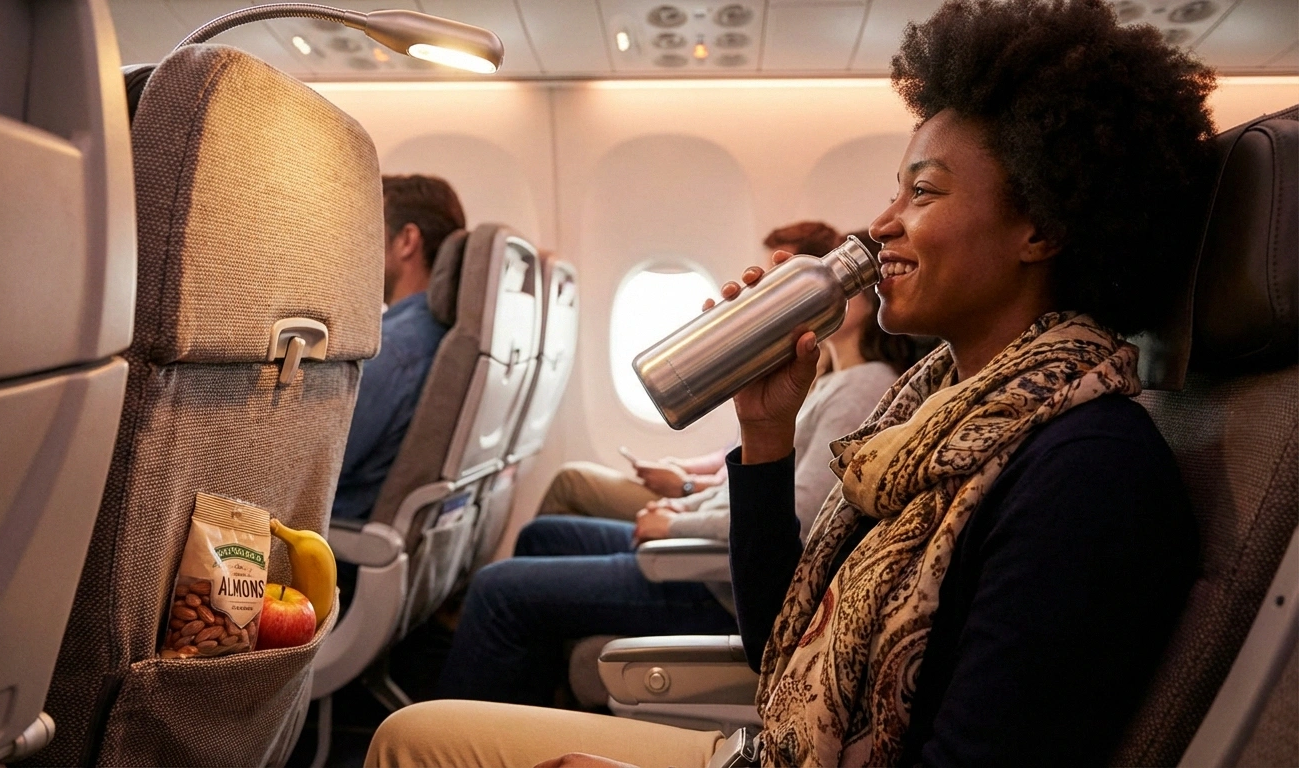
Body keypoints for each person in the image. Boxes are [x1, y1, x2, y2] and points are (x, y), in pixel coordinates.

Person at [366, 0, 1213, 765]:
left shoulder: (1086, 473)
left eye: (922, 192)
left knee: (419, 740)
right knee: (418, 732)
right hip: (779, 747)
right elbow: (781, 642)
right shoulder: (926, 416)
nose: (883, 224)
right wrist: (765, 433)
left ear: (1043, 227)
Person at [432, 229, 914, 705]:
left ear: (859, 300)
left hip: (714, 582)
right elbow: (738, 483)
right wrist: (688, 491)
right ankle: (530, 703)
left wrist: (675, 519)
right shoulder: (832, 379)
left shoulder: (863, 387)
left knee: (497, 589)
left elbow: (802, 514)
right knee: (542, 537)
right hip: (713, 555)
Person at [536, 223, 851, 523]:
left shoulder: (830, 379)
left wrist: (683, 488)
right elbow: (734, 455)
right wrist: (683, 470)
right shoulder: (804, 369)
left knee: (568, 489)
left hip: (703, 515)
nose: (767, 285)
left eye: (782, 280)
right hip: (705, 505)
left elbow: (790, 500)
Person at [331, 175, 466, 522]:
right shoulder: (439, 333)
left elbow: (319, 468)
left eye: (368, 234)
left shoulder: (392, 350)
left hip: (338, 539)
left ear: (406, 241)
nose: (358, 251)